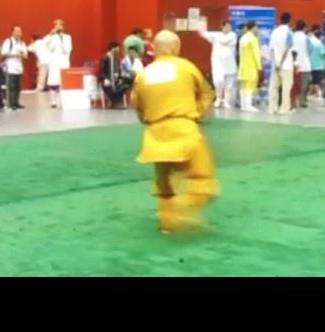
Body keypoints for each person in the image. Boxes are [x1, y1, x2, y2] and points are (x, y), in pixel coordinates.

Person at [132, 30, 219, 234]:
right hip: (185, 131)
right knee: (202, 179)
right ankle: (184, 207)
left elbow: (138, 104)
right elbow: (207, 92)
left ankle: (167, 224)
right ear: (175, 47)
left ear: (154, 49)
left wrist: (148, 119)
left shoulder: (144, 74)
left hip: (156, 135)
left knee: (163, 183)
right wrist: (197, 112)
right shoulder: (186, 67)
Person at [199, 20, 238, 109]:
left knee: (229, 84)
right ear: (222, 27)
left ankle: (226, 101)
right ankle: (218, 98)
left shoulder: (233, 35)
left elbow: (225, 41)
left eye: (229, 26)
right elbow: (204, 34)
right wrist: (202, 25)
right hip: (218, 63)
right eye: (227, 26)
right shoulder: (216, 35)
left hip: (230, 63)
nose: (228, 28)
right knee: (218, 81)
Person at [268, 13, 295, 115]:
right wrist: (281, 62)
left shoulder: (274, 32)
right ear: (289, 20)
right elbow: (287, 49)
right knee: (286, 88)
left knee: (274, 87)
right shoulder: (289, 33)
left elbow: (271, 49)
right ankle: (284, 109)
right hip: (286, 65)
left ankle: (272, 108)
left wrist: (275, 62)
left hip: (274, 65)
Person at [44, 19, 72, 108]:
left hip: (64, 61)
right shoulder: (51, 36)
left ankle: (62, 101)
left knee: (63, 82)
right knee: (53, 81)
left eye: (61, 25)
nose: (59, 27)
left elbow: (68, 49)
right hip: (54, 62)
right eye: (57, 25)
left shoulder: (68, 37)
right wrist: (51, 34)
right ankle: (53, 102)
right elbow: (45, 44)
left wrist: (61, 40)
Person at [1, 25, 28, 111]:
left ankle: (16, 102)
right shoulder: (8, 42)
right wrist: (15, 54)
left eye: (20, 31)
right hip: (10, 68)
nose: (18, 33)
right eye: (16, 31)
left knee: (18, 87)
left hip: (19, 68)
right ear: (12, 32)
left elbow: (26, 55)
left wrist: (22, 54)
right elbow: (3, 53)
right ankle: (10, 103)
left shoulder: (22, 43)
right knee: (11, 87)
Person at [237, 21, 262, 112]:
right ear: (254, 27)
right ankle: (248, 106)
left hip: (242, 65)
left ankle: (244, 106)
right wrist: (259, 66)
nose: (257, 29)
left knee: (243, 86)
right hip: (251, 66)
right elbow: (256, 54)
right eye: (257, 27)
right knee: (249, 87)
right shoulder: (253, 39)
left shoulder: (242, 38)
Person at [101, 42, 129, 107]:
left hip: (115, 78)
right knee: (108, 85)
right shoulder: (105, 58)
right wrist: (105, 78)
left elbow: (118, 69)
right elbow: (102, 70)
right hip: (106, 79)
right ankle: (113, 102)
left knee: (124, 85)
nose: (118, 50)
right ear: (113, 48)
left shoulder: (116, 58)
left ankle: (115, 101)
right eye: (117, 48)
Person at [292, 20, 312, 109]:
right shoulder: (306, 38)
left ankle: (294, 101)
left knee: (294, 84)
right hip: (305, 64)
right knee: (303, 85)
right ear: (304, 28)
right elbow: (309, 50)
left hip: (294, 63)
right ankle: (302, 101)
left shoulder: (292, 36)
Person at [308, 25, 325, 100]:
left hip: (311, 65)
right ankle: (319, 95)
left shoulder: (311, 43)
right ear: (320, 36)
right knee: (317, 82)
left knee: (312, 82)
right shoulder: (320, 44)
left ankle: (310, 95)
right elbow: (323, 55)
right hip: (319, 66)